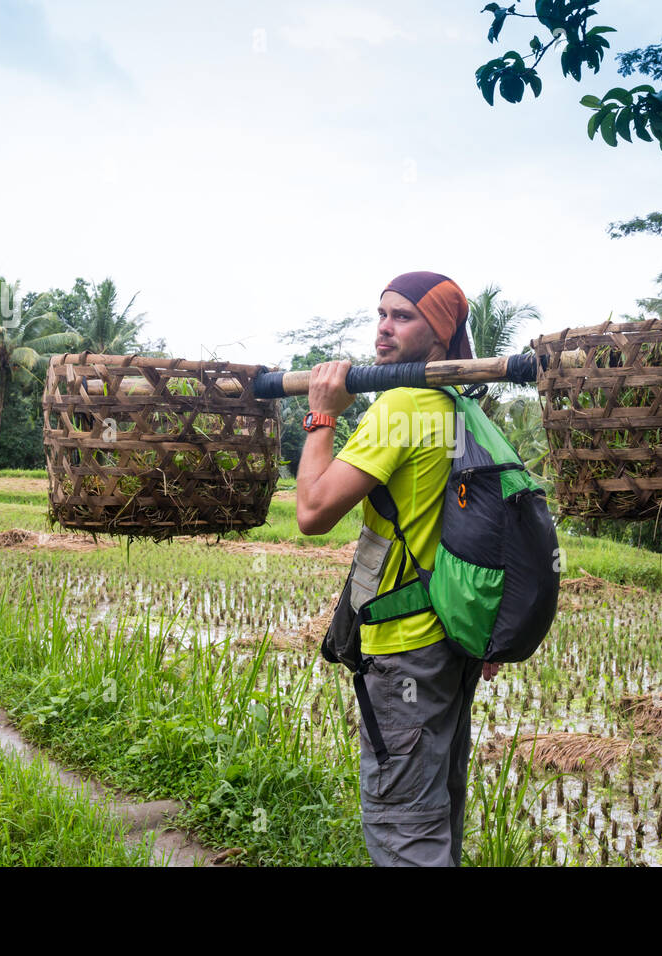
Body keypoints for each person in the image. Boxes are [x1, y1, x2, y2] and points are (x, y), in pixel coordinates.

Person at [295, 270, 501, 866]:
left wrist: (322, 417)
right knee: (436, 810)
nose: (384, 329)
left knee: (404, 827)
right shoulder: (463, 408)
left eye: (403, 316)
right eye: (381, 314)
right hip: (456, 642)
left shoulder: (401, 408)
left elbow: (312, 511)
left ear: (440, 332)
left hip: (407, 645)